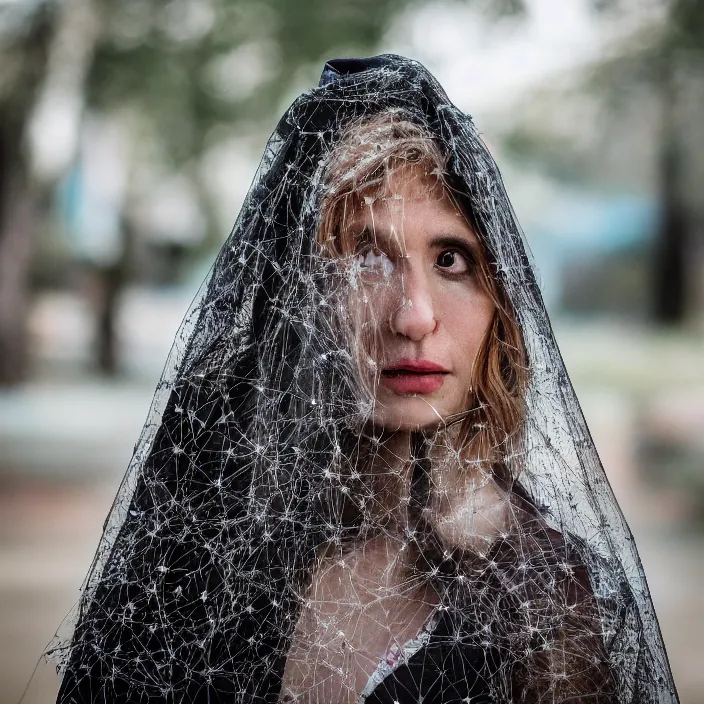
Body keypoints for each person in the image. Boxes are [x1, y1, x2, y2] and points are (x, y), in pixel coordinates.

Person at [50, 55, 679, 704]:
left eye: (452, 258)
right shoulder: (198, 558)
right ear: (294, 295)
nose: (414, 315)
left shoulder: (539, 591)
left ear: (501, 308)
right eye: (366, 255)